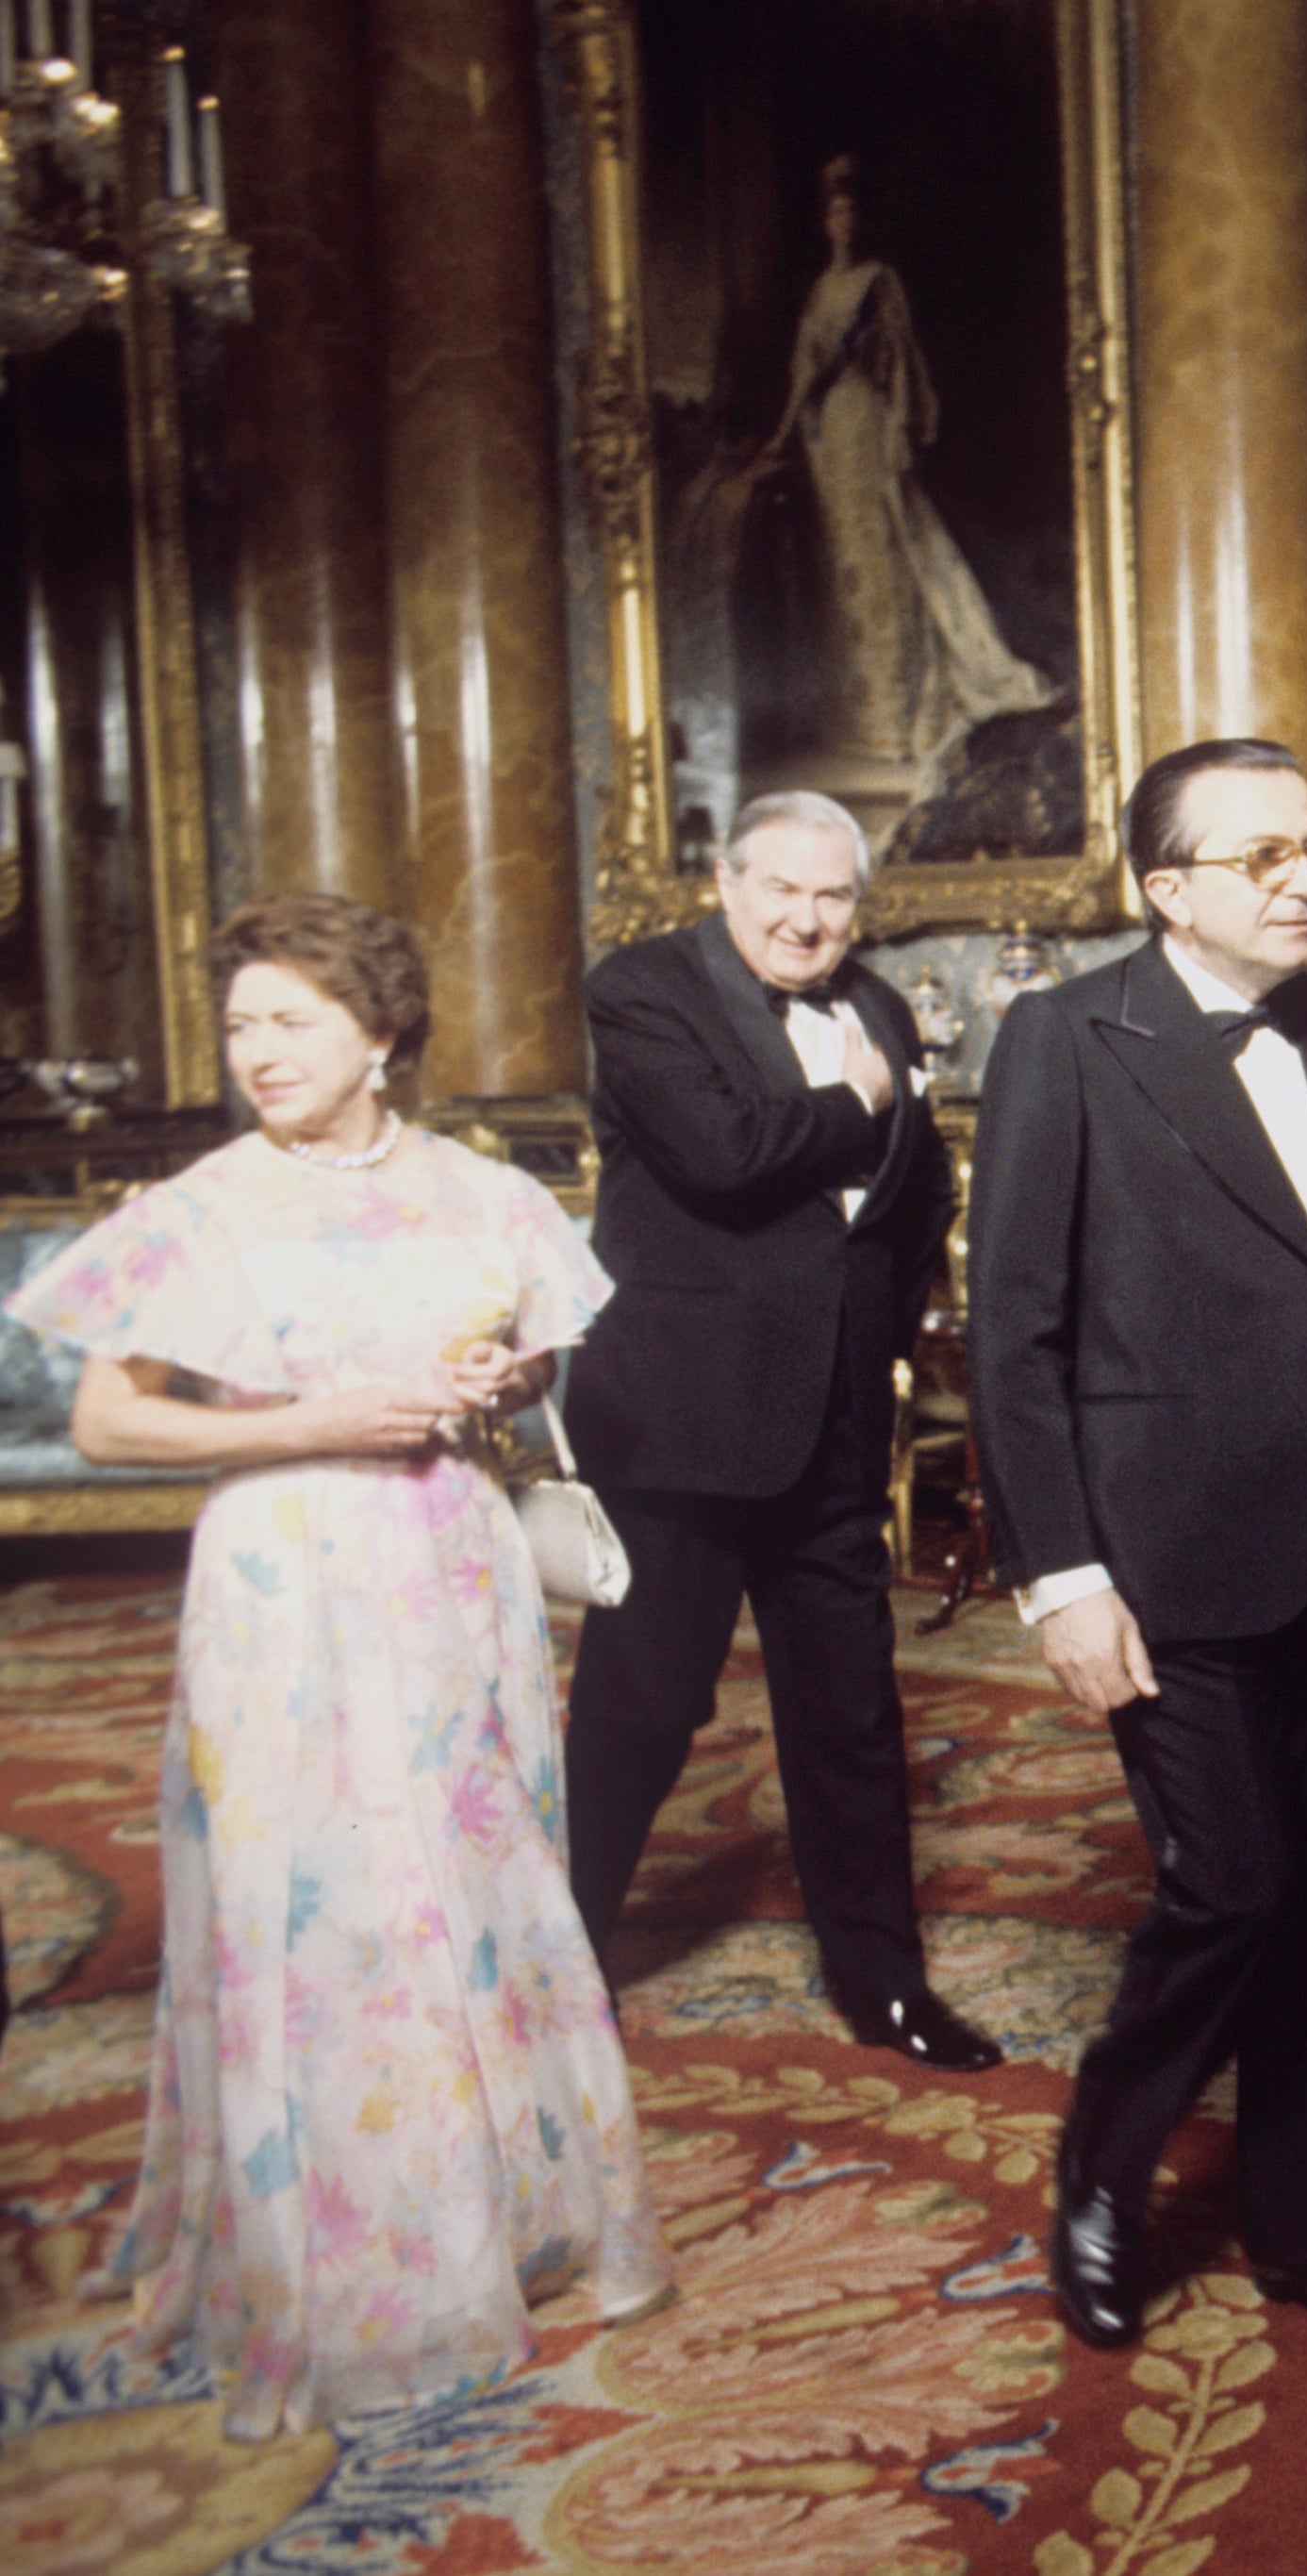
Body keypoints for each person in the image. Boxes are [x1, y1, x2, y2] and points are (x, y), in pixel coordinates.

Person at [8, 894, 667, 2436]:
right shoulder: (206, 1205)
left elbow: (540, 1362)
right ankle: (342, 2265)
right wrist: (307, 1421)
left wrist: (502, 1376)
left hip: (453, 1567)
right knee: (316, 1897)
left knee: (475, 1887)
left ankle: (483, 2220)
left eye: (290, 1019)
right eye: (241, 1025)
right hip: (283, 1581)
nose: (258, 1052)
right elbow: (110, 1423)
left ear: (380, 1033)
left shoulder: (487, 1194)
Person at [968, 738, 1307, 2357]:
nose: (1304, 876)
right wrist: (1063, 1573)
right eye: (1258, 857)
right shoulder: (1068, 1037)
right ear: (1164, 888)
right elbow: (1013, 1335)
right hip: (1160, 1551)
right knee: (1233, 1883)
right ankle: (1104, 2173)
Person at [558, 790, 1001, 2073]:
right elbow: (722, 1152)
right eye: (783, 891)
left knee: (850, 1710)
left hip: (833, 1417)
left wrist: (879, 1331)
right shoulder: (641, 986)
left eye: (836, 897)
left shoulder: (880, 1008)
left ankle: (884, 1981)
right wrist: (858, 1105)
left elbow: (919, 1192)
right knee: (642, 1702)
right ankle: (564, 1948)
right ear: (725, 879)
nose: (810, 920)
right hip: (679, 1421)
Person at [758, 155, 1052, 792]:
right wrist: (785, 430)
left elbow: (897, 365)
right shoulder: (818, 290)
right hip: (830, 433)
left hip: (866, 423)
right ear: (824, 223)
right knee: (845, 568)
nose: (845, 223)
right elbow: (803, 372)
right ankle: (855, 719)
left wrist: (896, 431)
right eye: (835, 213)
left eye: (853, 211)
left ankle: (896, 719)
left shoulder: (878, 280)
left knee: (886, 562)